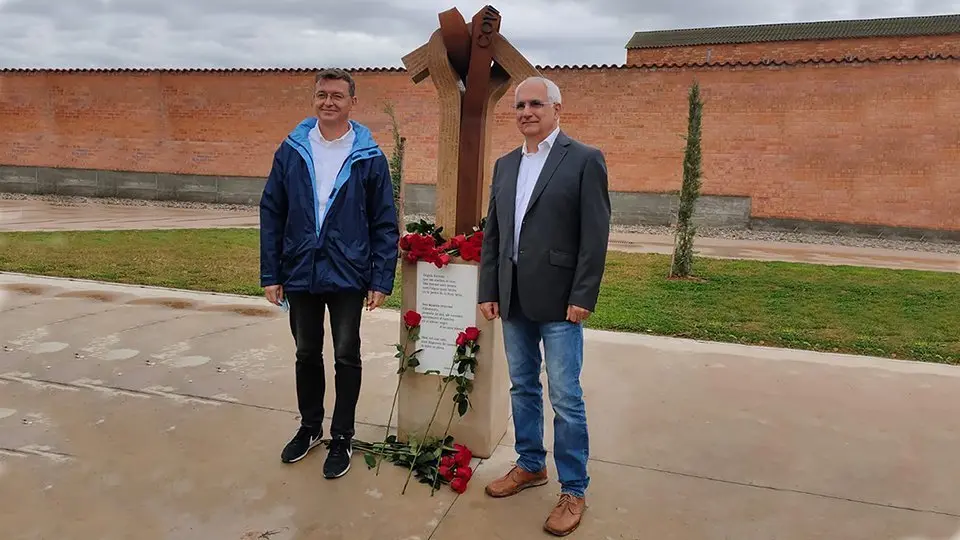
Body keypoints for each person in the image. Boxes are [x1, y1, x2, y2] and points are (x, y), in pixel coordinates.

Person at [477, 76, 610, 536]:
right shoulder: (505, 164)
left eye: (536, 104)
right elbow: (494, 232)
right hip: (513, 296)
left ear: (557, 109)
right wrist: (488, 288)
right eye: (520, 105)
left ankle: (574, 488)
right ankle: (531, 463)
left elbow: (595, 234)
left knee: (566, 397)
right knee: (522, 387)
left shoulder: (584, 159)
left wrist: (582, 294)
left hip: (560, 300)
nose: (527, 112)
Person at [259, 68, 399, 479]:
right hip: (300, 268)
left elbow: (384, 221)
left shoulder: (368, 155)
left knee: (345, 354)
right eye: (322, 95)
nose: (329, 102)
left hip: (348, 272)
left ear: (352, 102)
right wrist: (272, 272)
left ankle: (342, 436)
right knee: (306, 353)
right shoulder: (292, 150)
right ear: (314, 99)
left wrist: (379, 278)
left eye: (338, 95)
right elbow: (273, 211)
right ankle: (309, 428)